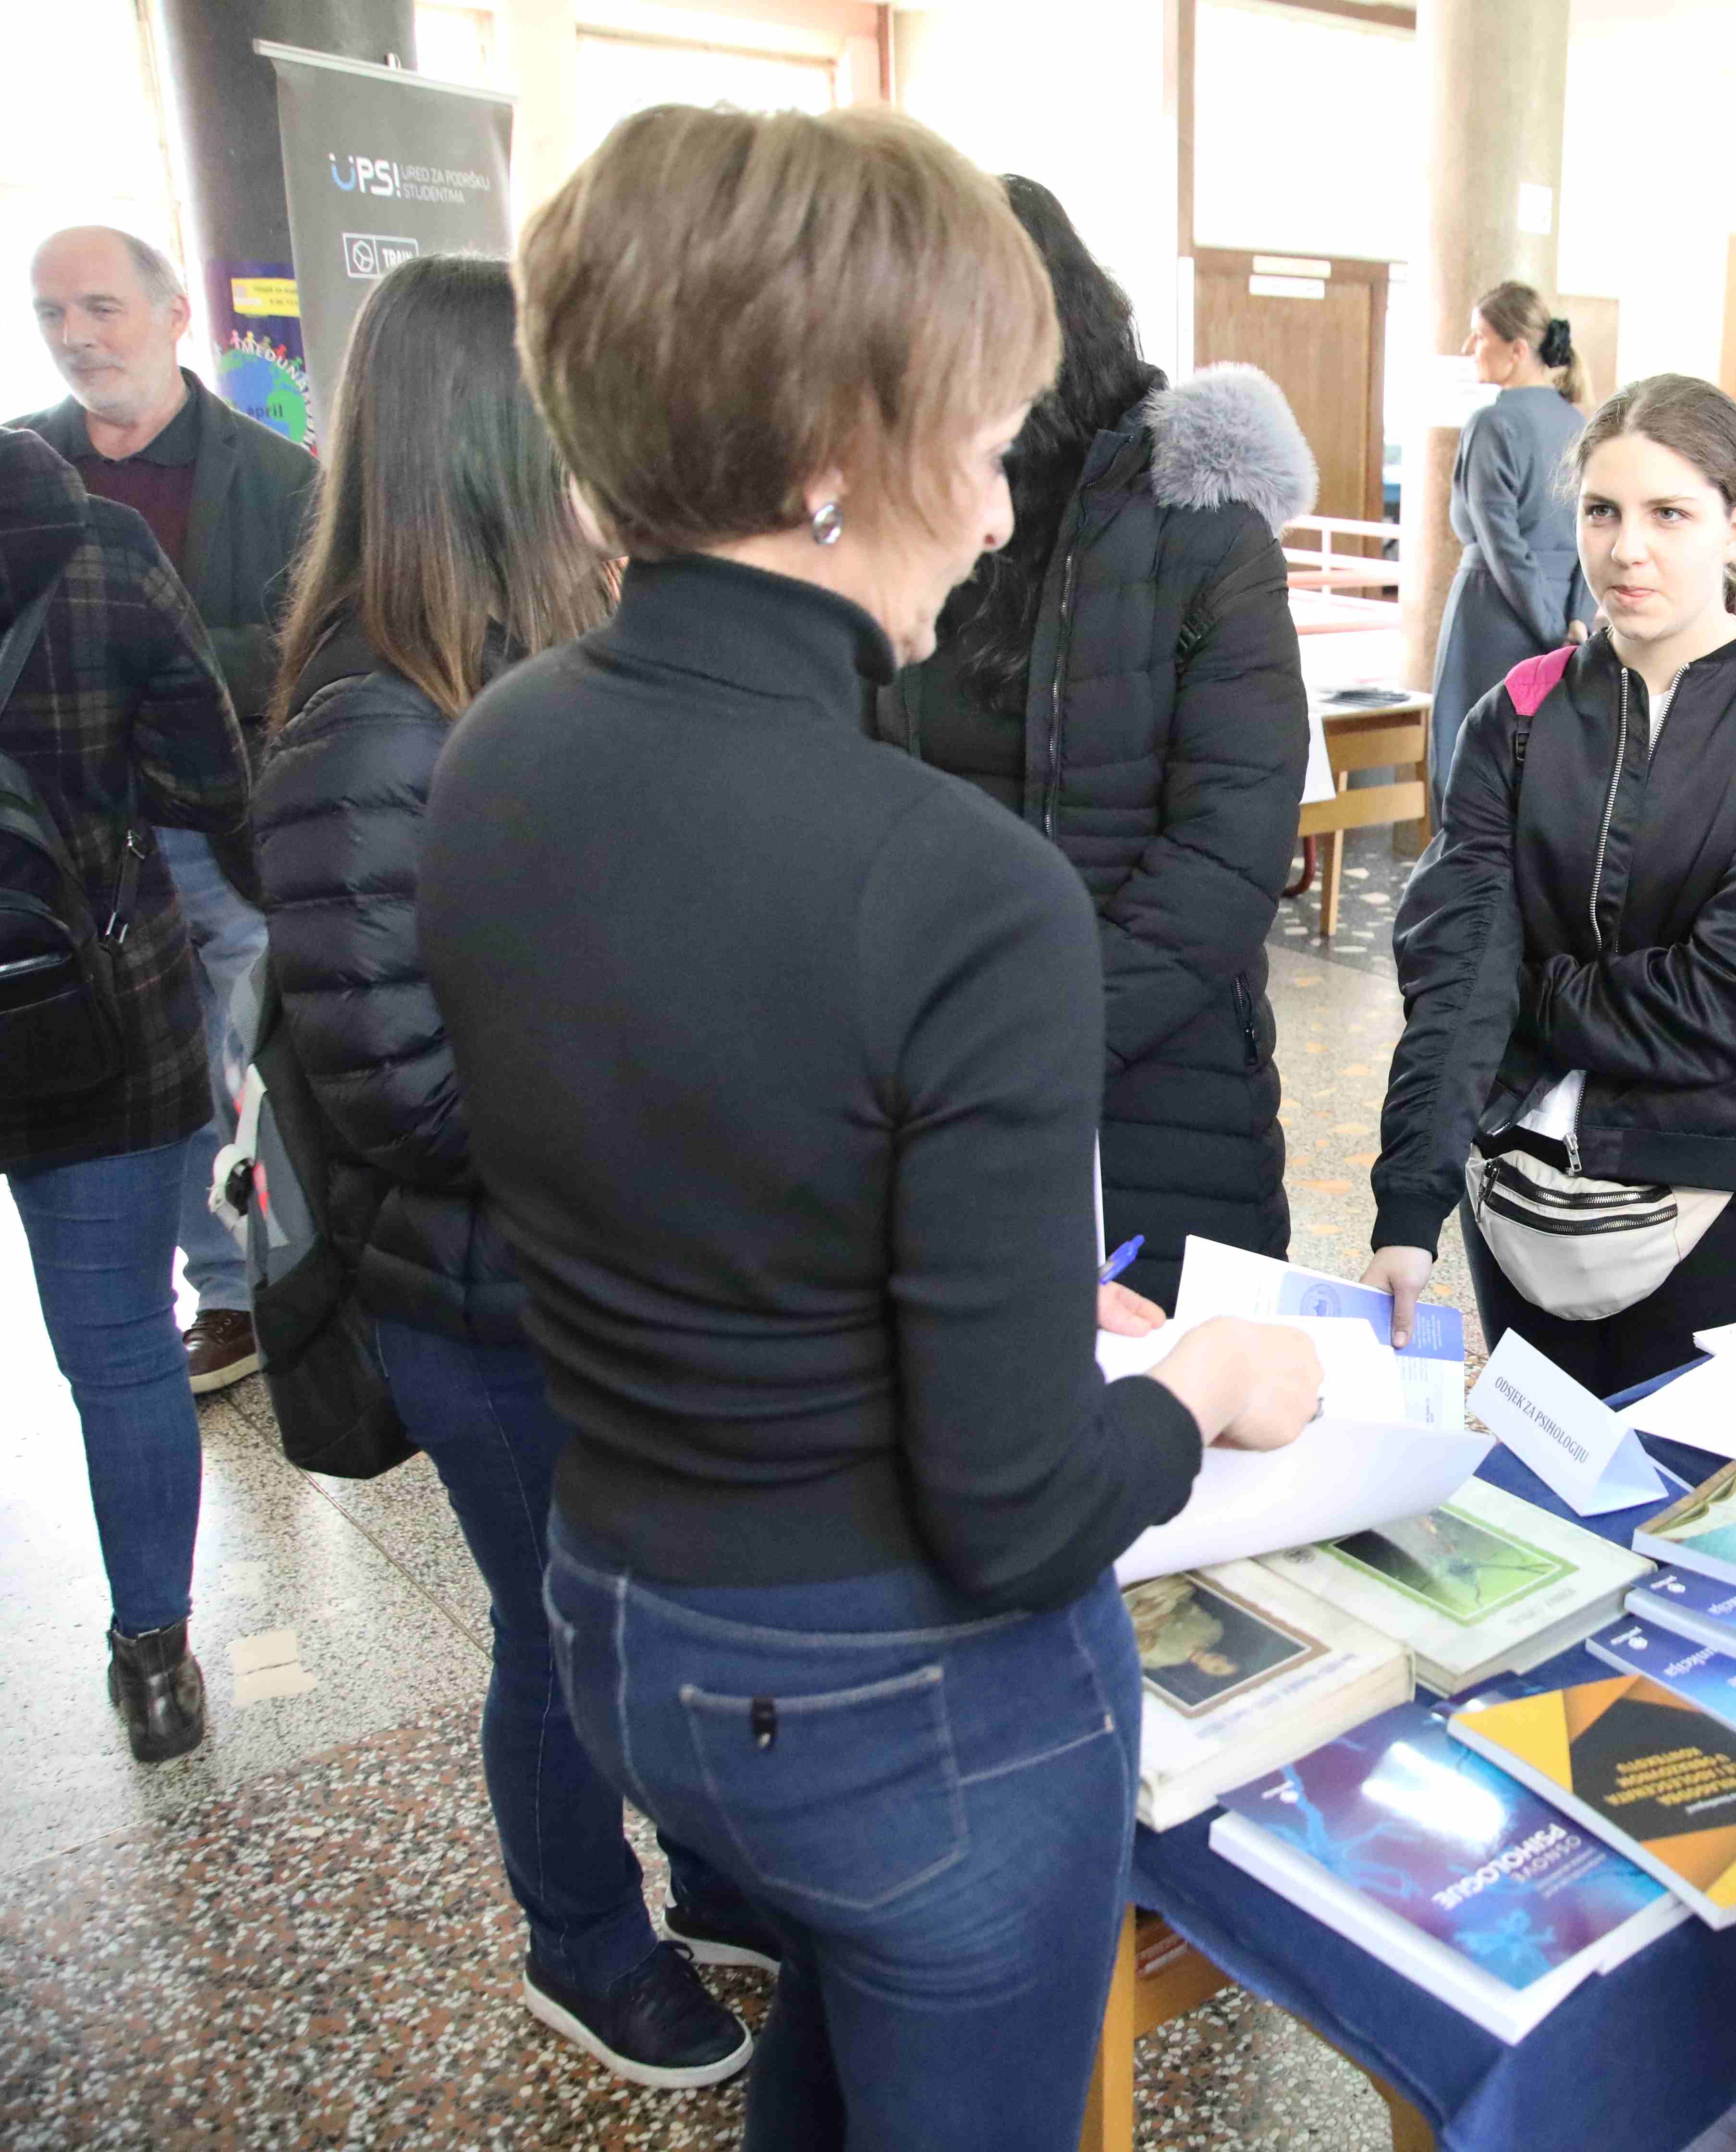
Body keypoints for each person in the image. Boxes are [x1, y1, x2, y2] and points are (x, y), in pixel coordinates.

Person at [418, 106, 1320, 2149]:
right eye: (982, 449)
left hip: (625, 1615)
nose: (996, 517)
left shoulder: (503, 752)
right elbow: (1018, 1512)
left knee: (829, 2059)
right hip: (900, 1691)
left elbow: (714, 1181)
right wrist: (1200, 1389)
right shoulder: (958, 886)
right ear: (840, 452)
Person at [252, 253, 771, 2091]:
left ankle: (714, 1878)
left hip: (591, 1270)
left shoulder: (527, 673)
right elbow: (394, 1086)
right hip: (478, 1300)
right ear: (484, 440)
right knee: (562, 1641)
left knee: (654, 1611)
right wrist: (647, 1103)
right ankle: (583, 1945)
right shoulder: (370, 722)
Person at [1366, 375, 1736, 1397]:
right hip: (1518, 1194)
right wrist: (1408, 1209)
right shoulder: (1518, 716)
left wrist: (1528, 993)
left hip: (1722, 1191)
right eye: (1601, 511)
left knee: (1690, 1479)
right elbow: (1457, 974)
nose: (1626, 548)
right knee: (1538, 1471)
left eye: (1669, 514)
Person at [884, 176, 1312, 1308]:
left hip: (1157, 1082)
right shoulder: (904, 522)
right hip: (936, 1076)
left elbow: (1230, 850)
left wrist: (1037, 1040)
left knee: (1170, 1389)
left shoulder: (1200, 529)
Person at [23, 226, 318, 1393]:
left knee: (251, 1067)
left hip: (220, 830)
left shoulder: (280, 478)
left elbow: (307, 640)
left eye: (100, 307)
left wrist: (156, 658)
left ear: (174, 312)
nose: (76, 336)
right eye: (52, 313)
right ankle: (209, 1295)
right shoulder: (20, 470)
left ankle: (292, 1283)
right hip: (72, 849)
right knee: (127, 1078)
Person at [0, 422, 242, 1761]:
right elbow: (208, 778)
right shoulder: (104, 548)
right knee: (125, 1350)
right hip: (100, 1005)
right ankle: (155, 1662)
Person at [1426, 280, 1589, 809]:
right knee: (1537, 775)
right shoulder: (1581, 424)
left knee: (1466, 764)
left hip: (1493, 614)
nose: (1468, 348)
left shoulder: (1493, 423)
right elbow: (1595, 533)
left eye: (1479, 336)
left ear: (1517, 350)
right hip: (1566, 616)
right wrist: (1574, 624)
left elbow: (1502, 545)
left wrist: (1548, 626)